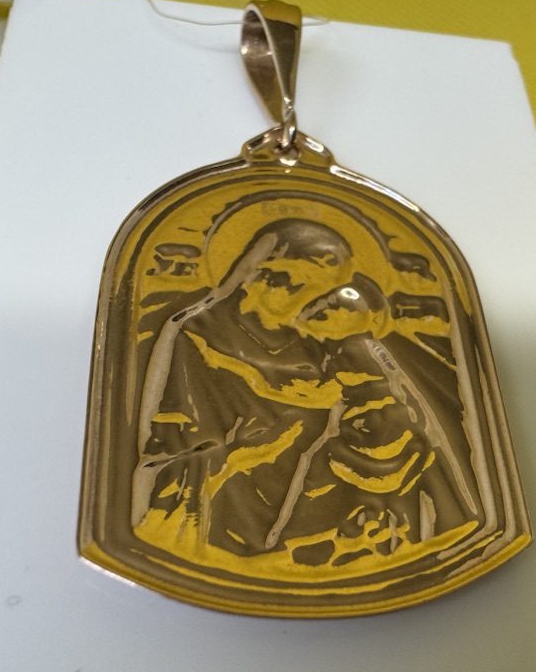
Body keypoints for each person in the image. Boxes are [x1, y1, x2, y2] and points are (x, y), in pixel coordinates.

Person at [131, 217, 482, 568]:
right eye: (295, 278)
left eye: (318, 287)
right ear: (258, 273)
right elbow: (168, 449)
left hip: (321, 501)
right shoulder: (196, 336)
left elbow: (377, 402)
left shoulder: (318, 341)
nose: (301, 295)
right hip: (228, 500)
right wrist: (240, 454)